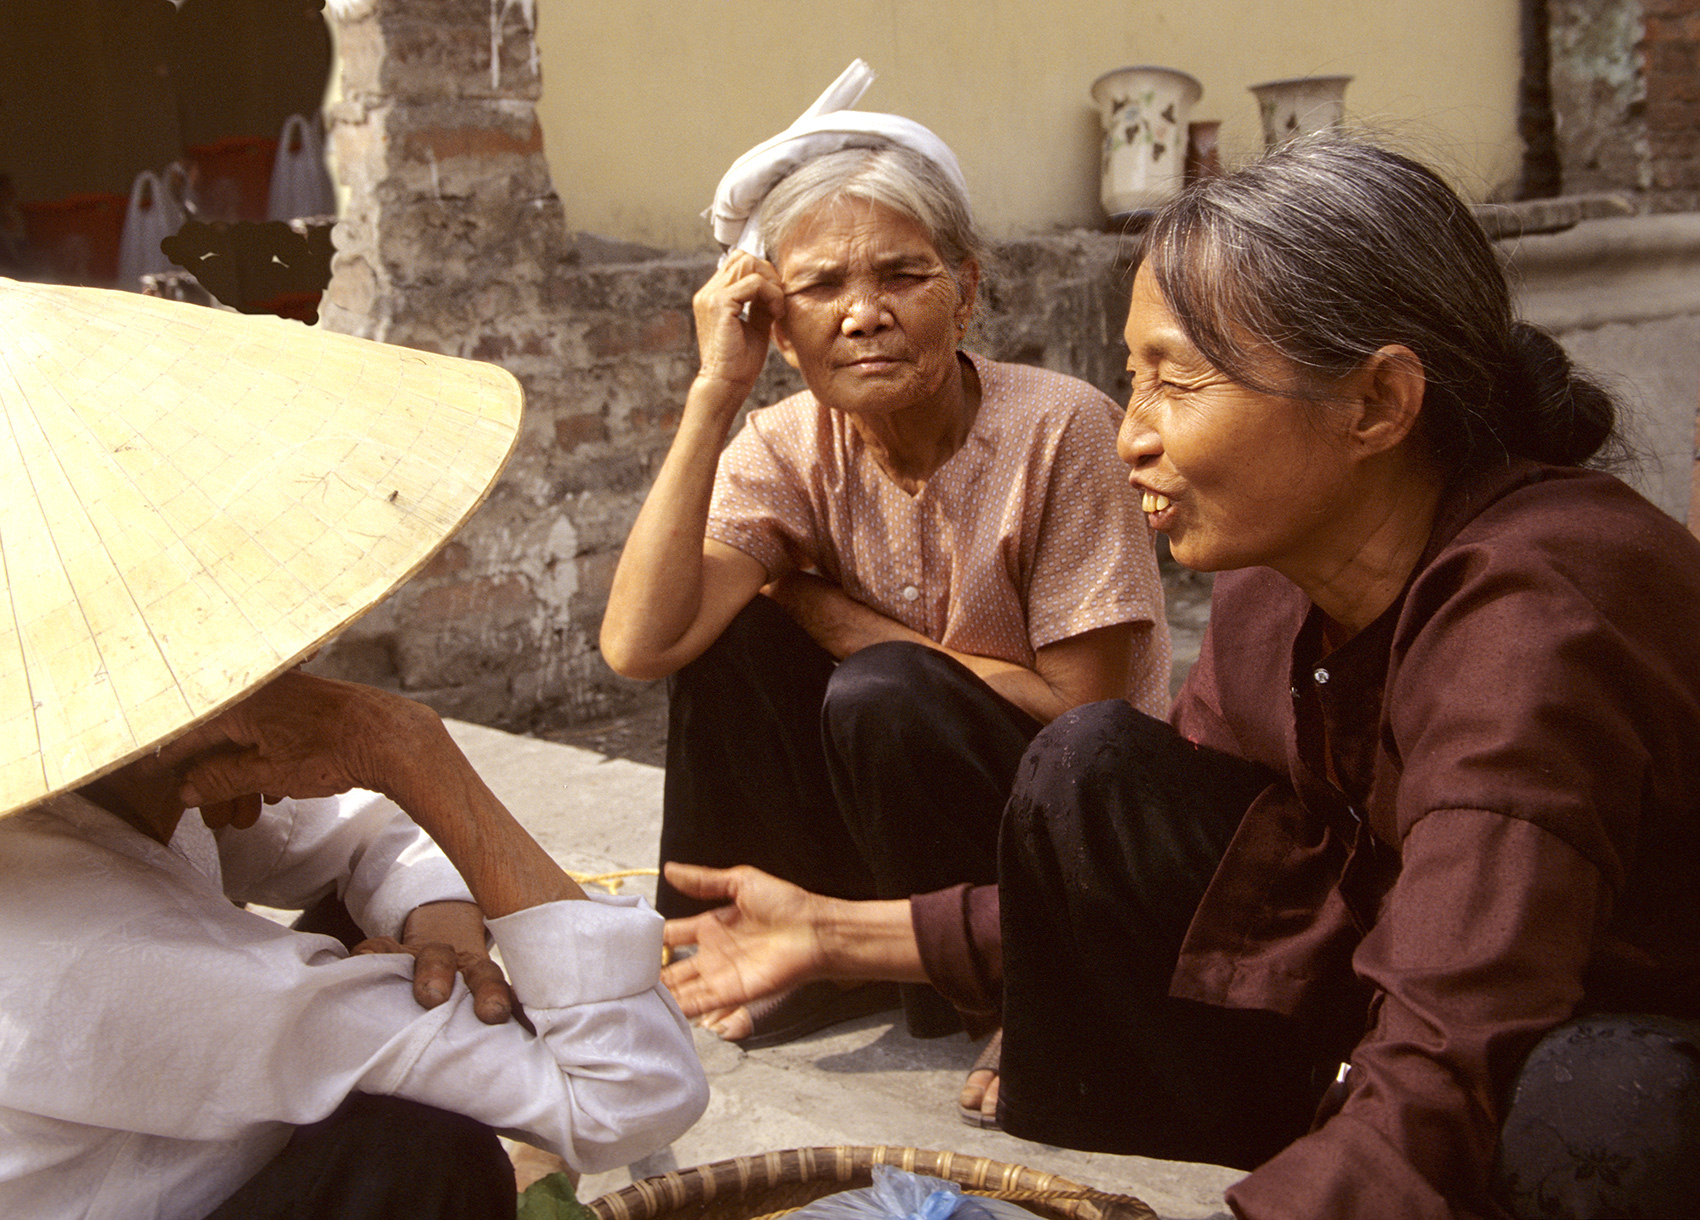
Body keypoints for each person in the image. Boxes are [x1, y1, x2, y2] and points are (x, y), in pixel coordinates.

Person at [659, 134, 1700, 1219]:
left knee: (1598, 1111)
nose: (1130, 437)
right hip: (1407, 1001)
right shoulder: (1279, 583)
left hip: (1579, 1041)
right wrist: (835, 931)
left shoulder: (1536, 617)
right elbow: (1239, 874)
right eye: (1129, 378)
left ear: (1374, 403)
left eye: (1174, 382)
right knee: (1095, 771)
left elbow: (1456, 1040)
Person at [0, 277, 708, 1220]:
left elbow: (354, 831)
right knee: (422, 1148)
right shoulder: (113, 952)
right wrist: (401, 746)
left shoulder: (82, 799)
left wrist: (442, 921)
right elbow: (632, 1093)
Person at [600, 63, 1168, 1052]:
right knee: (726, 640)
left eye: (903, 274)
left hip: (1055, 833)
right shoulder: (780, 442)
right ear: (780, 330)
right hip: (878, 819)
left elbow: (1085, 724)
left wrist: (835, 616)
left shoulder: (1061, 429)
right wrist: (710, 394)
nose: (862, 311)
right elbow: (640, 644)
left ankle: (1005, 978)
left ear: (967, 292)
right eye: (818, 287)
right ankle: (767, 943)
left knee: (880, 687)